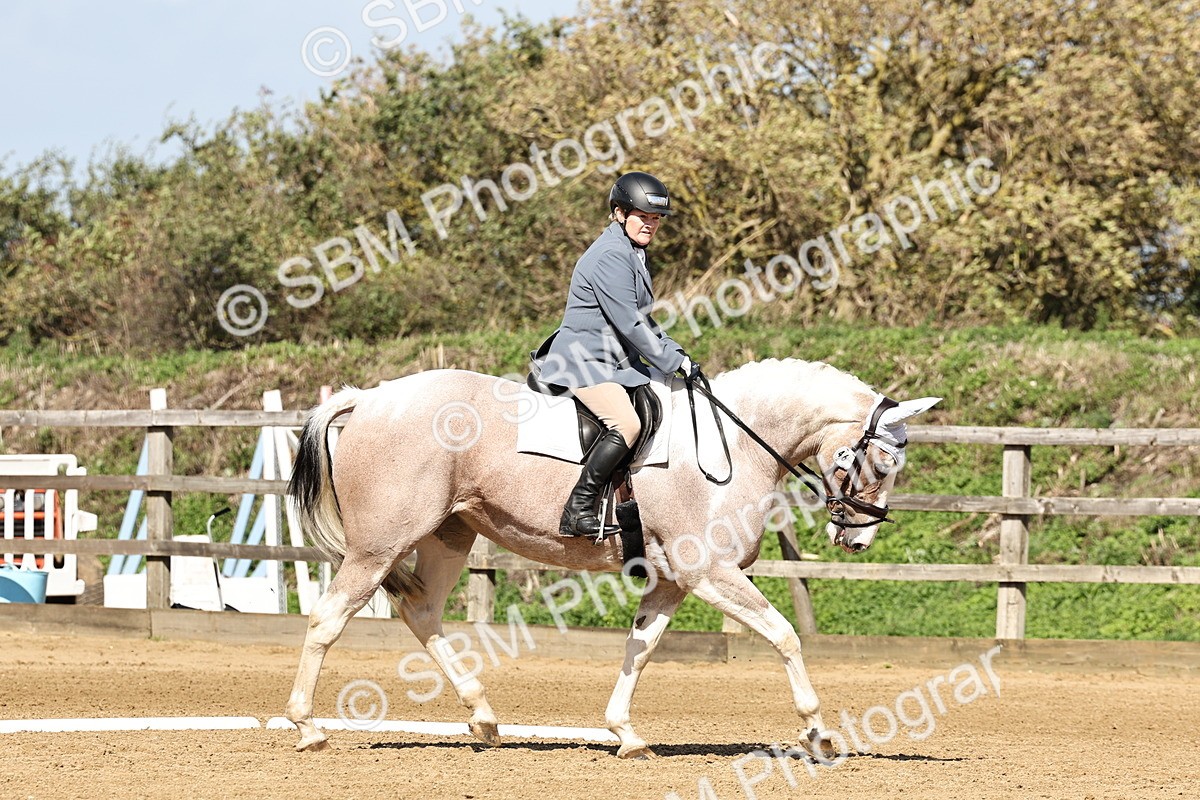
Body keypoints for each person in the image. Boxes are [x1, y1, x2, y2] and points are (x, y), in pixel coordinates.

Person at [542, 171, 701, 538]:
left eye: (656, 219)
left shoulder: (632, 252)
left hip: (613, 359)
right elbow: (630, 324)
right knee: (627, 424)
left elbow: (644, 320)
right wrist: (671, 362)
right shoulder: (611, 255)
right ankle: (578, 508)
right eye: (643, 217)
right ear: (619, 213)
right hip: (586, 362)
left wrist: (678, 355)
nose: (650, 225)